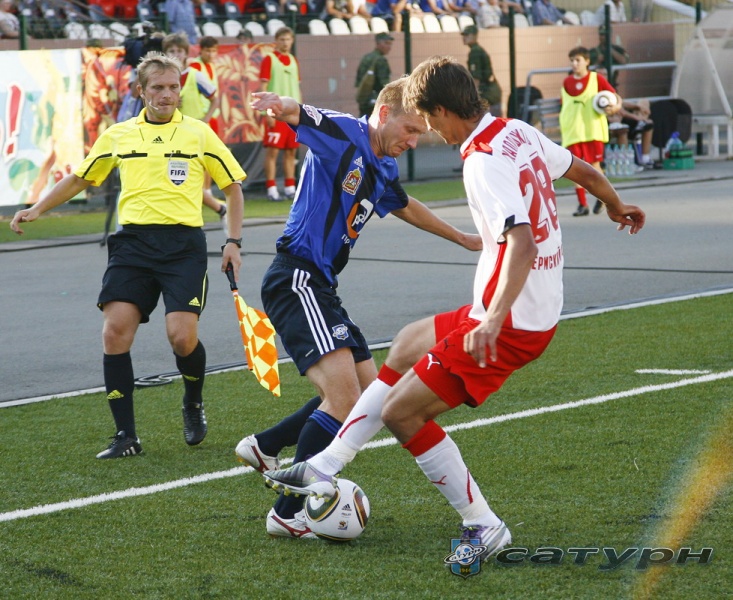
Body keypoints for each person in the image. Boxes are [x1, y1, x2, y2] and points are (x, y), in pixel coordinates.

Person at [262, 55, 645, 556]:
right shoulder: (516, 131)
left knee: (402, 414)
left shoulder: (482, 160)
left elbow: (523, 245)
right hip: (525, 307)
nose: (427, 133)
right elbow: (582, 170)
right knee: (405, 345)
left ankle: (483, 524)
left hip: (509, 320)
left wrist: (493, 319)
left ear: (442, 110)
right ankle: (323, 464)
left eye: (427, 120)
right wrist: (615, 203)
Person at [238, 77, 483, 539]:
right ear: (384, 114)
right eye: (410, 130)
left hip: (322, 287)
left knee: (374, 396)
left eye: (420, 134)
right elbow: (301, 113)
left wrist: (462, 238)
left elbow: (405, 205)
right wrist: (279, 104)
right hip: (297, 278)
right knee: (346, 399)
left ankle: (266, 446)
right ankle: (287, 513)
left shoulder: (384, 166)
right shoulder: (347, 133)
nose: (413, 142)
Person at [9, 54, 246, 459]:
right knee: (114, 332)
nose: (167, 94)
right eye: (158, 87)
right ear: (141, 91)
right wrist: (38, 208)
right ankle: (126, 436)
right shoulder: (119, 135)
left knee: (182, 337)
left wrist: (233, 241)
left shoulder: (199, 133)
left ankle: (192, 401)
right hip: (133, 246)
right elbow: (81, 177)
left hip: (182, 247)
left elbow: (233, 188)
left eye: (173, 87)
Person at [163, 33, 228, 224]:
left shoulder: (194, 75)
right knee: (175, 178)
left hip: (191, 135)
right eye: (171, 51)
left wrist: (205, 120)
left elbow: (215, 99)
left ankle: (216, 210)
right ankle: (219, 209)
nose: (175, 54)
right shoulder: (162, 79)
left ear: (186, 53)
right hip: (170, 134)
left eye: (179, 51)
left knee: (186, 178)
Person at [560, 46, 621, 216]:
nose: (574, 63)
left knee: (595, 166)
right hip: (573, 131)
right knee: (575, 168)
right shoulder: (567, 82)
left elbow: (614, 95)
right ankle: (582, 204)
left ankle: (603, 197)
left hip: (592, 130)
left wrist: (616, 106)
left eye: (578, 60)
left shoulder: (596, 79)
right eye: (572, 60)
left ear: (587, 61)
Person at [260, 26, 301, 202]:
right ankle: (271, 189)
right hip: (275, 113)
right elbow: (263, 87)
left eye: (288, 39)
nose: (285, 42)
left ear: (292, 41)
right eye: (282, 39)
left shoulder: (293, 60)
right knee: (273, 152)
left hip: (292, 114)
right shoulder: (269, 59)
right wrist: (266, 112)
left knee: (291, 151)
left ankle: (290, 188)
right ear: (276, 41)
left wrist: (301, 112)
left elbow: (297, 88)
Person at [461, 25, 502, 116]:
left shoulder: (475, 51)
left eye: (467, 35)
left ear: (475, 36)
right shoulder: (478, 50)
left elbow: (476, 78)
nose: (464, 38)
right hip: (491, 93)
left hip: (487, 94)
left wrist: (473, 98)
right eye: (463, 35)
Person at [355, 32, 393, 118]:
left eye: (390, 44)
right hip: (375, 100)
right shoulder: (381, 60)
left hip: (364, 98)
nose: (389, 47)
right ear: (378, 43)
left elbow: (358, 81)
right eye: (386, 43)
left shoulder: (366, 57)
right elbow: (384, 84)